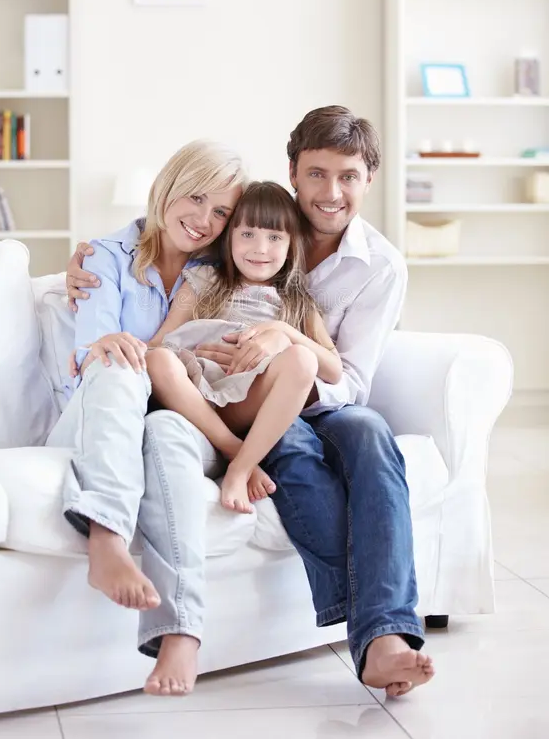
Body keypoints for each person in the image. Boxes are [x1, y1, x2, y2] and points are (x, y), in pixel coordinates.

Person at [67, 106, 435, 698]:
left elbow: (349, 378)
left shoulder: (377, 267)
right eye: (316, 174)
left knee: (368, 433)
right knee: (254, 446)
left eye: (348, 176)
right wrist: (87, 262)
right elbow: (163, 294)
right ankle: (209, 622)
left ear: (369, 179)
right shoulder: (218, 254)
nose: (331, 192)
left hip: (316, 400)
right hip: (225, 403)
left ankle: (386, 633)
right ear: (293, 173)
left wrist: (285, 340)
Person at [47, 139, 247, 696]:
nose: (204, 220)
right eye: (195, 197)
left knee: (165, 429)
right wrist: (121, 347)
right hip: (99, 419)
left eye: (222, 212)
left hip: (174, 417)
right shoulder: (103, 258)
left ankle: (181, 632)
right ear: (167, 186)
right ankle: (106, 538)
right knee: (118, 362)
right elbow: (93, 355)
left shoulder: (225, 271)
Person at [144, 180, 342, 514]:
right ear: (230, 237)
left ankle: (239, 467)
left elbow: (334, 371)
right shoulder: (206, 280)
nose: (260, 248)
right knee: (158, 359)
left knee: (303, 360)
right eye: (248, 234)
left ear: (292, 245)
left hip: (247, 399)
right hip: (197, 394)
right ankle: (233, 449)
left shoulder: (297, 302)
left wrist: (283, 330)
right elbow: (161, 340)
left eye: (275, 237)